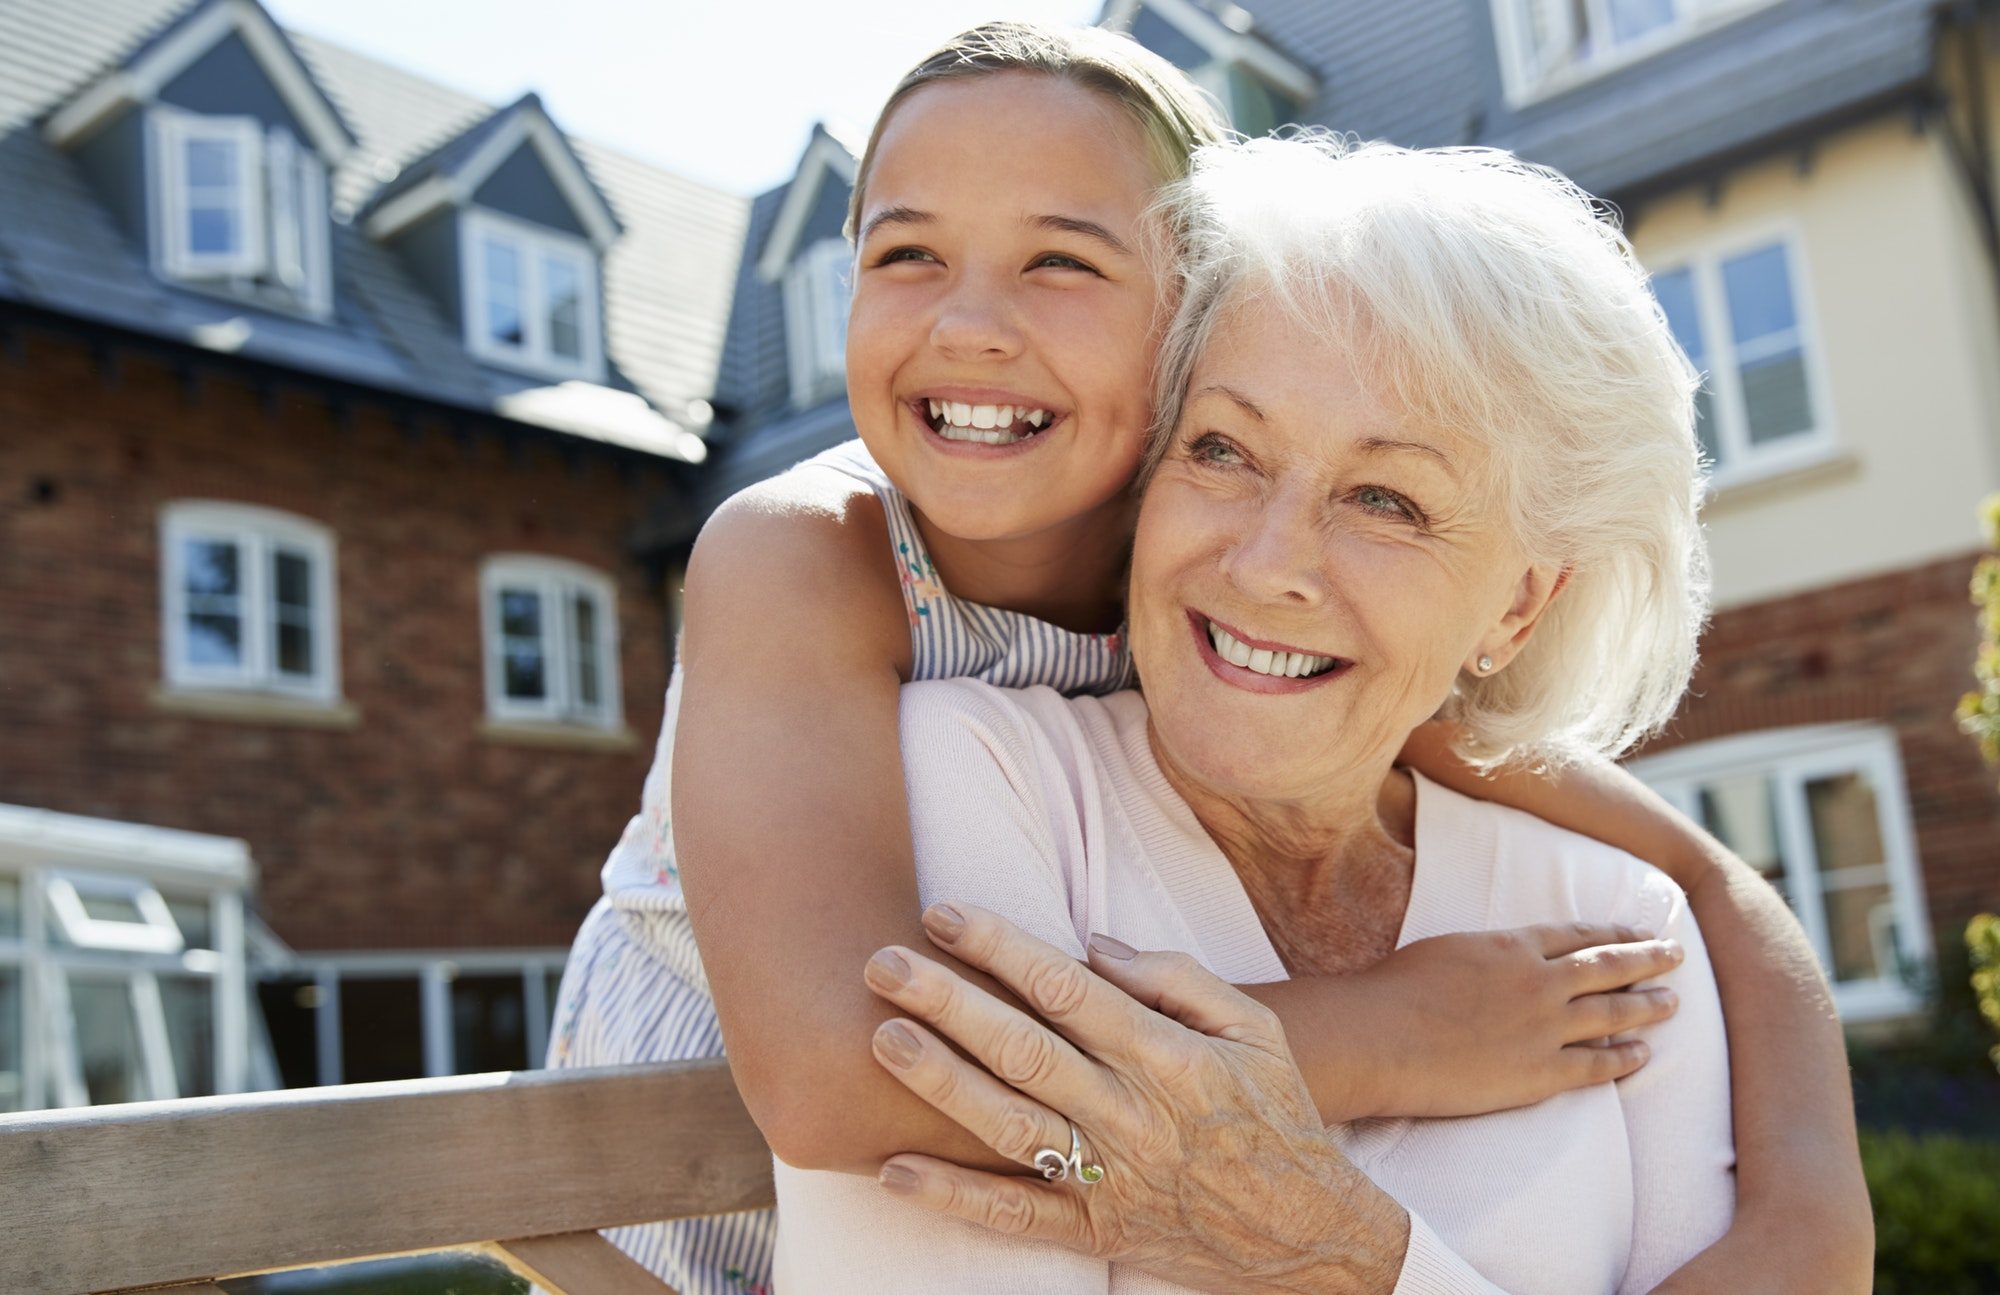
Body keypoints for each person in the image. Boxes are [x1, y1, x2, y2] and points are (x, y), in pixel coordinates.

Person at [548, 23, 1868, 1295]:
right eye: (904, 253)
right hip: (652, 1230)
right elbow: (840, 1072)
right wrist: (1394, 1033)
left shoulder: (1208, 582)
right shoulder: (806, 555)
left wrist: (1812, 1199)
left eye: (1059, 262)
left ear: (1184, 323)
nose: (970, 326)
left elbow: (1699, 874)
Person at [788, 133, 1745, 1292]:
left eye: (1385, 498)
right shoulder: (978, 776)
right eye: (1223, 450)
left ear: (1518, 604)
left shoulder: (1612, 921)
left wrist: (1349, 1257)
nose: (1265, 560)